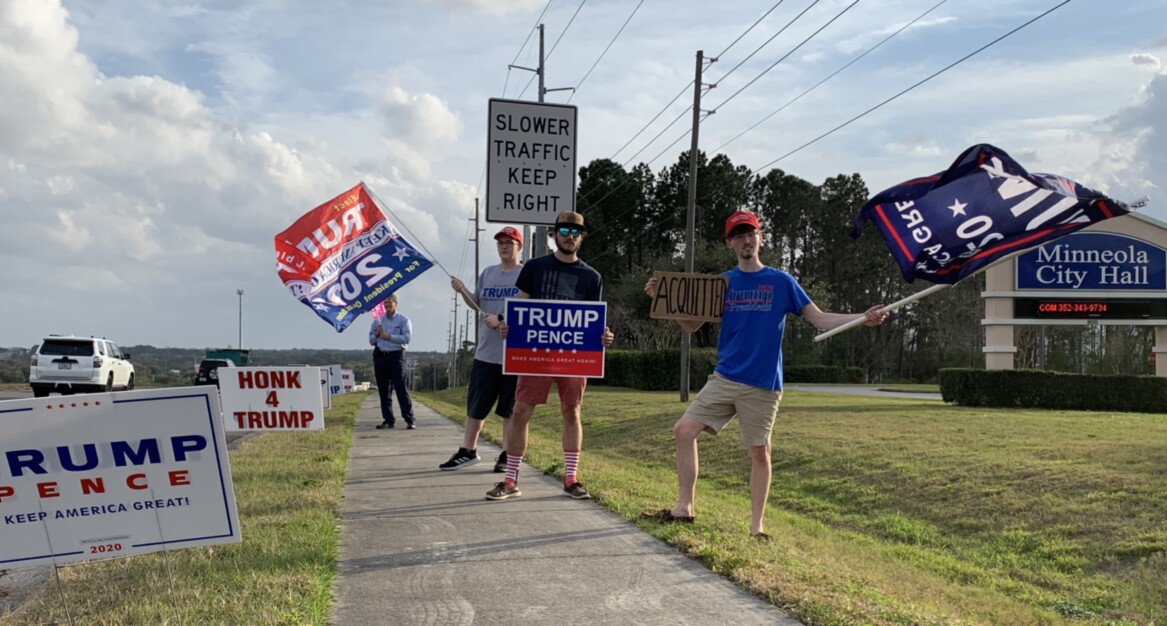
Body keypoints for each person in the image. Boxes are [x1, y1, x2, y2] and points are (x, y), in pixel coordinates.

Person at [642, 210, 887, 539]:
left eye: (751, 233)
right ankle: (684, 508)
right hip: (725, 377)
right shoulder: (722, 283)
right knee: (684, 430)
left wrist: (862, 317)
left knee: (760, 451)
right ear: (730, 243)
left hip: (762, 384)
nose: (746, 240)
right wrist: (664, 299)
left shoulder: (781, 282)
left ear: (761, 237)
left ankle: (757, 527)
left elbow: (818, 318)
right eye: (738, 235)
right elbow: (691, 325)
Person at [486, 211, 614, 501]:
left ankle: (571, 479)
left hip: (573, 355)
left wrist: (605, 336)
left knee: (572, 411)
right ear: (555, 234)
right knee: (520, 411)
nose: (569, 236)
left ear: (581, 237)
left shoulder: (591, 277)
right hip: (536, 352)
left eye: (575, 232)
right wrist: (508, 323)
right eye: (564, 231)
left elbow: (594, 320)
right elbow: (521, 304)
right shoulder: (535, 267)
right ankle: (510, 480)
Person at [440, 226, 524, 473]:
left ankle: (507, 455)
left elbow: (530, 308)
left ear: (519, 246)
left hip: (514, 355)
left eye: (509, 242)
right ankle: (468, 450)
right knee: (476, 406)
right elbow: (476, 303)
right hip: (486, 353)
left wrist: (501, 318)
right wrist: (462, 290)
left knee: (509, 409)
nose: (504, 246)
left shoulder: (526, 274)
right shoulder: (488, 273)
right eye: (500, 243)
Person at [369, 293, 415, 429]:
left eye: (390, 302)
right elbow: (371, 340)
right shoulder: (377, 321)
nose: (387, 305)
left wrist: (389, 336)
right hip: (380, 356)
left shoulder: (403, 320)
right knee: (384, 390)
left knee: (401, 389)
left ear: (395, 303)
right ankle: (388, 419)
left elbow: (407, 338)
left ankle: (409, 419)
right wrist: (377, 334)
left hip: (396, 356)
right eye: (385, 303)